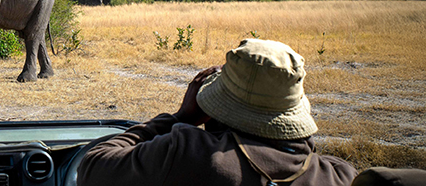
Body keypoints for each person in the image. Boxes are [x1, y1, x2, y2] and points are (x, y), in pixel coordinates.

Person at [78, 38, 358, 186]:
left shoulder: (189, 153)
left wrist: (181, 118)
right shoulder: (339, 175)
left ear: (215, 106)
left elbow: (92, 168)